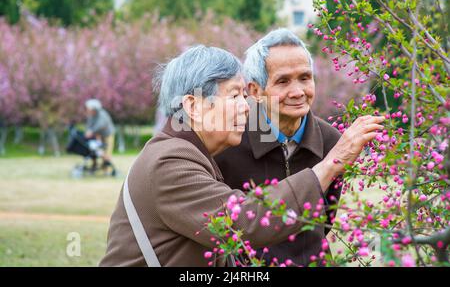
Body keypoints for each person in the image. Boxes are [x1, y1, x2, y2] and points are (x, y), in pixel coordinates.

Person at [99, 45, 383, 267]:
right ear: (194, 106)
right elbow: (247, 221)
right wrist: (332, 164)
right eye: (234, 96)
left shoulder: (186, 151)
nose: (246, 108)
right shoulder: (169, 163)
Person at [215, 28, 385, 266]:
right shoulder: (229, 141)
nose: (297, 92)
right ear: (255, 91)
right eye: (283, 81)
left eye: (305, 78)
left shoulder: (331, 141)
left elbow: (326, 220)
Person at [85, 99, 116, 176]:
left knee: (107, 153)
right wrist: (88, 131)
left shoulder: (102, 114)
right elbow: (89, 125)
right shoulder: (91, 116)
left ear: (94, 109)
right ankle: (97, 167)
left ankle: (107, 170)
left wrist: (92, 131)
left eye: (88, 108)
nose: (87, 110)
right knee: (98, 152)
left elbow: (101, 125)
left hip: (108, 135)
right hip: (99, 136)